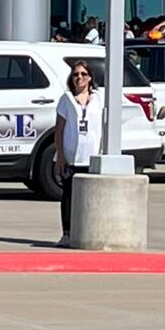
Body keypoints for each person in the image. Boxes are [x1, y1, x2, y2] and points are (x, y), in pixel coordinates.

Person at [53, 58, 102, 243]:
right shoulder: (66, 100)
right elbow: (59, 129)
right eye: (75, 75)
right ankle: (67, 233)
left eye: (83, 74)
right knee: (69, 196)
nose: (79, 78)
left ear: (90, 77)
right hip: (72, 155)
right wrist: (60, 157)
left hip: (93, 156)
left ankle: (89, 233)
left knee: (91, 198)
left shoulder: (99, 98)